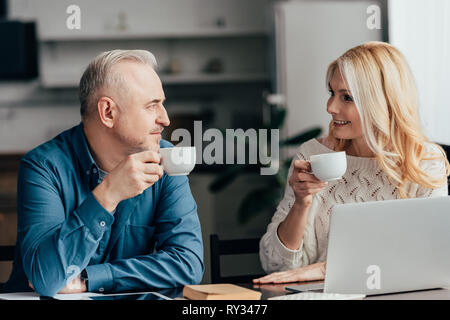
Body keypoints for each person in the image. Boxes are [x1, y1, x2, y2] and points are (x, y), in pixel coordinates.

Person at [2, 50, 204, 296]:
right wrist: (108, 194)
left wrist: (90, 278)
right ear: (108, 112)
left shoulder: (166, 159)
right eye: (152, 106)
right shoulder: (43, 167)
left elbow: (187, 262)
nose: (166, 119)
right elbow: (46, 279)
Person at [254, 41, 450, 284]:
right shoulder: (313, 155)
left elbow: (431, 261)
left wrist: (328, 269)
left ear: (382, 102)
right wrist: (301, 204)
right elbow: (275, 265)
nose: (330, 107)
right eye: (331, 93)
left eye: (346, 97)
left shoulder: (424, 162)